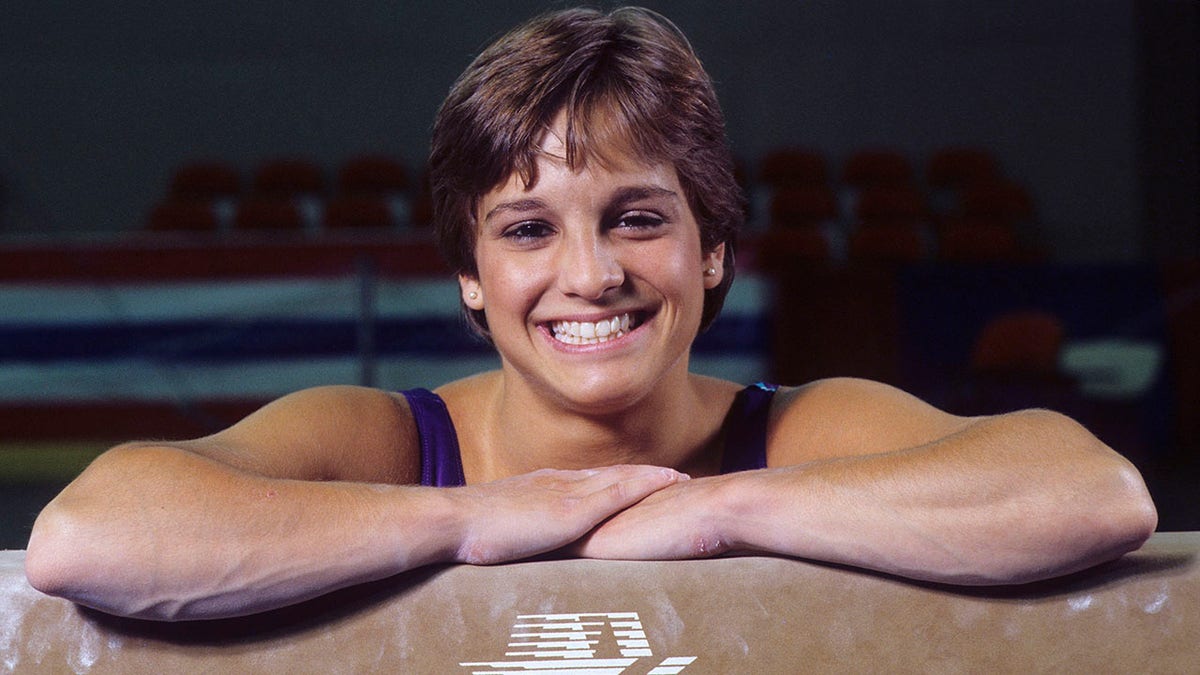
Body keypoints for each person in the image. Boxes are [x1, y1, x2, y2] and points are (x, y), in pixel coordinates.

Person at [25, 7, 1156, 621]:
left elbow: (1091, 495)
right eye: (526, 230)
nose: (591, 273)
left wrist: (725, 511)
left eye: (637, 218)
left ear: (715, 249)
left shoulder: (799, 435)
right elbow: (91, 536)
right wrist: (470, 521)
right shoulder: (386, 443)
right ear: (468, 273)